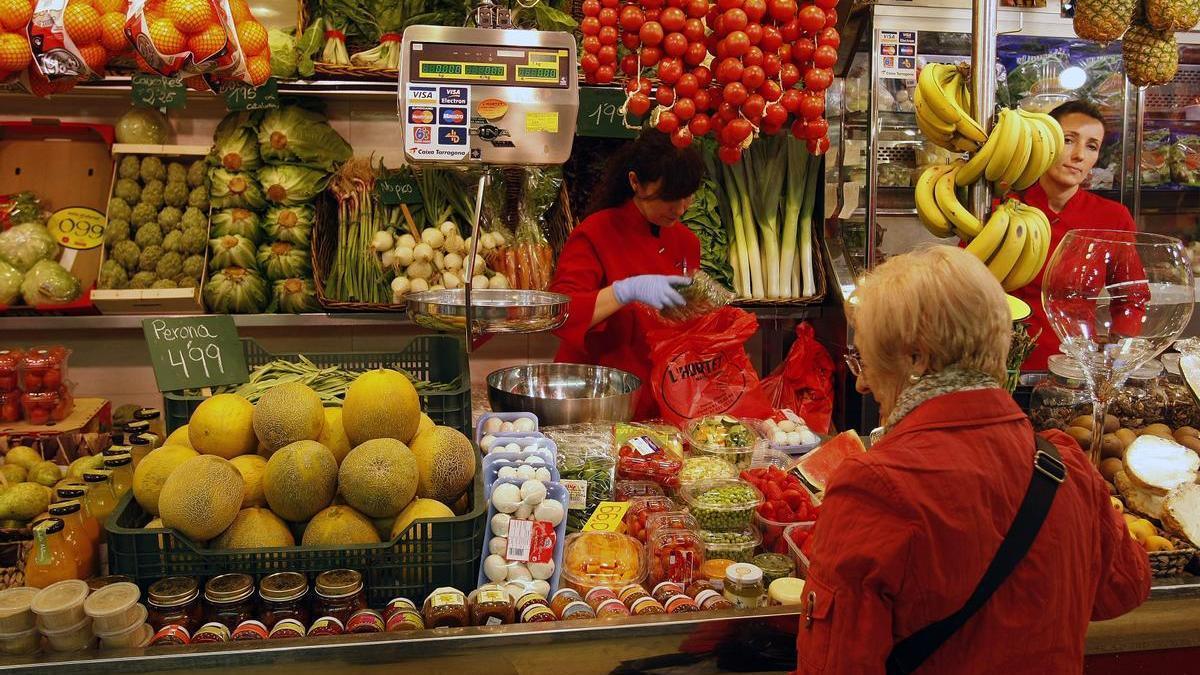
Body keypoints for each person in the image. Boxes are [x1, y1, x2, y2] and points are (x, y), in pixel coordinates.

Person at [796, 246, 1150, 674]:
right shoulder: (1064, 465)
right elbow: (1126, 588)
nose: (862, 385)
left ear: (916, 358)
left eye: (867, 361)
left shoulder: (874, 488)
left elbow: (835, 666)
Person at [549, 130, 704, 419]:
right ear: (635, 182)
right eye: (670, 197)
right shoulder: (595, 233)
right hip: (599, 397)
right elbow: (562, 313)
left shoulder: (687, 242)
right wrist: (624, 291)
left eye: (688, 197)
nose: (681, 209)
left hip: (663, 395)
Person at [1011, 99, 1138, 370]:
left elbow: (1131, 297)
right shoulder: (1003, 208)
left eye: (1092, 146)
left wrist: (1117, 358)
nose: (1080, 155)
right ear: (1044, 142)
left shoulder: (1113, 218)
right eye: (1069, 140)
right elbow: (964, 288)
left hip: (1076, 370)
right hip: (1001, 364)